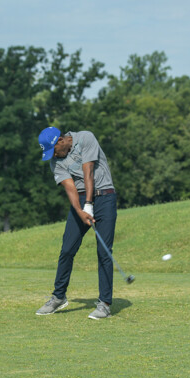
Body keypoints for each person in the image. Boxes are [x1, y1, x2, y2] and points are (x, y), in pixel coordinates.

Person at [35, 127, 117, 319]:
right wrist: (81, 210)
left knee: (104, 251)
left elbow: (88, 172)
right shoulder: (55, 161)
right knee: (67, 249)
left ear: (60, 141)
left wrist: (89, 204)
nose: (54, 155)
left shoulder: (85, 138)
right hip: (79, 200)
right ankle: (58, 297)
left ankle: (104, 304)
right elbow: (70, 187)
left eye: (54, 150)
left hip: (105, 197)